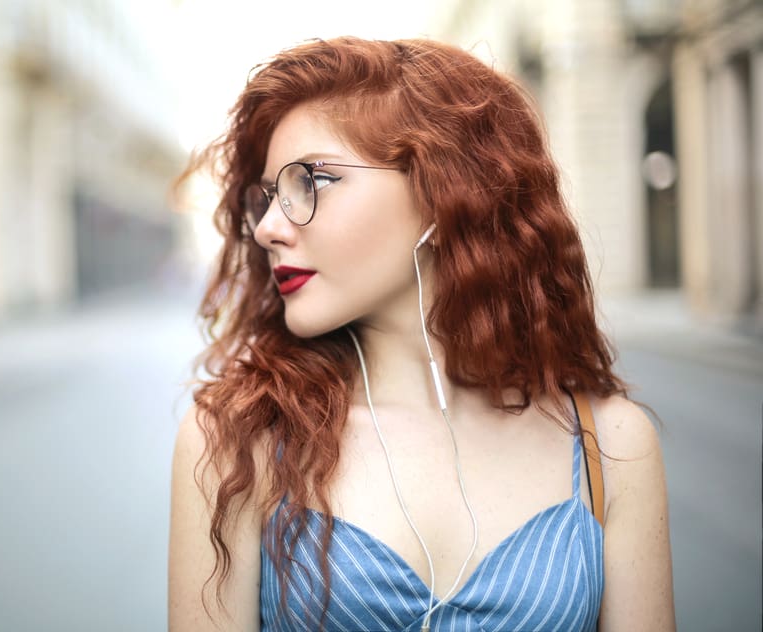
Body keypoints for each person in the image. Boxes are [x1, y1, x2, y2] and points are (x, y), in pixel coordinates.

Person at [169, 37, 675, 632]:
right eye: (271, 195)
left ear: (441, 190)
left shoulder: (609, 446)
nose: (271, 228)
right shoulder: (237, 441)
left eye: (310, 180)